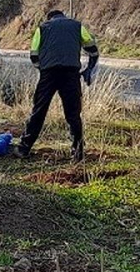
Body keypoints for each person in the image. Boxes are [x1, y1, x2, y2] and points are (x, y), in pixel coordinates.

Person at [14, 9, 99, 160]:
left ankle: (23, 148)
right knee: (73, 114)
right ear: (63, 16)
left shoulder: (42, 28)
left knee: (38, 111)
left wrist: (44, 69)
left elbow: (34, 55)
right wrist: (88, 70)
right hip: (71, 74)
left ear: (49, 18)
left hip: (49, 74)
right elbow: (93, 50)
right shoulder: (77, 26)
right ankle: (78, 152)